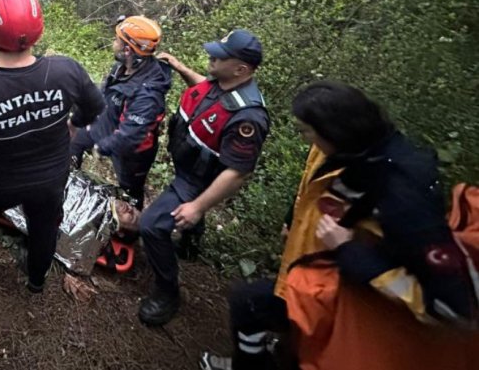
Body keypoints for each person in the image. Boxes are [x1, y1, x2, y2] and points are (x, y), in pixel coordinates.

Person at [200, 81, 479, 370]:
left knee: (256, 307)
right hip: (326, 273)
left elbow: (454, 308)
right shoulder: (364, 148)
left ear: (333, 132)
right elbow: (325, 187)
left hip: (366, 304)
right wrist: (292, 221)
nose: (307, 140)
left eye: (308, 132)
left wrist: (348, 250)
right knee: (260, 310)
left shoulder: (404, 197)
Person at [0, 0, 105, 292]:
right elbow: (95, 106)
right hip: (51, 180)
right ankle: (36, 281)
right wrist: (75, 125)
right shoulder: (66, 72)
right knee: (45, 227)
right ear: (37, 28)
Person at [139, 29, 270, 326]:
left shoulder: (249, 118)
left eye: (221, 55)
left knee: (151, 225)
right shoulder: (225, 83)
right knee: (177, 220)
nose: (212, 56)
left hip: (197, 181)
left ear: (241, 69)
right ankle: (189, 243)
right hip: (190, 167)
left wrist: (197, 205)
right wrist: (182, 68)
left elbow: (237, 172)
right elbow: (210, 91)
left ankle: (167, 292)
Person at [69, 15, 172, 210]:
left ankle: (130, 231)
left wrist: (101, 148)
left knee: (130, 192)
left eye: (117, 40)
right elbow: (107, 91)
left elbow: (130, 136)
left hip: (132, 152)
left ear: (127, 49)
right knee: (72, 144)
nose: (113, 42)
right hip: (106, 123)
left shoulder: (148, 94)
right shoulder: (124, 65)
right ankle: (68, 189)